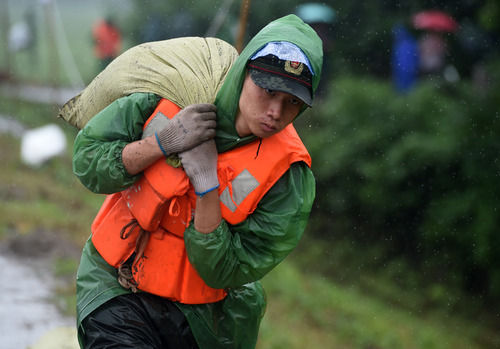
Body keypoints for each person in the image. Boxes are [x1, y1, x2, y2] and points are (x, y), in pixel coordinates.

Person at [69, 14, 323, 349]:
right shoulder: (175, 91)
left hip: (202, 318)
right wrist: (160, 144)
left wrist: (207, 187)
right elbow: (87, 160)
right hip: (115, 282)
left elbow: (230, 269)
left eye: (292, 102)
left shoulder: (289, 174)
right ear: (244, 72)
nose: (276, 111)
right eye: (268, 91)